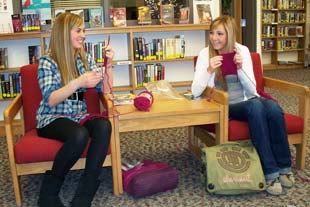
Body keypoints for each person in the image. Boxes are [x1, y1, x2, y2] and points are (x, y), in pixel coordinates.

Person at [191, 15, 294, 196]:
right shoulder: (205, 54)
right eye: (212, 33)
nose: (214, 38)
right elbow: (195, 90)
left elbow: (252, 88)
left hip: (248, 100)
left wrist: (240, 68)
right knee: (256, 107)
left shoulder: (242, 51)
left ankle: (284, 166)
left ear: (230, 35)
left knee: (274, 108)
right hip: (226, 106)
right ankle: (270, 172)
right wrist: (209, 70)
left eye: (220, 34)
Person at [36, 12, 114, 207]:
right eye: (78, 30)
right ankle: (48, 194)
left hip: (77, 115)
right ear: (64, 33)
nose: (83, 35)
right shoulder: (47, 61)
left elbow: (105, 89)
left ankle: (84, 195)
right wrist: (78, 82)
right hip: (51, 117)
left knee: (104, 125)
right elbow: (51, 99)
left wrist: (108, 64)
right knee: (79, 135)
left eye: (84, 30)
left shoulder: (85, 57)